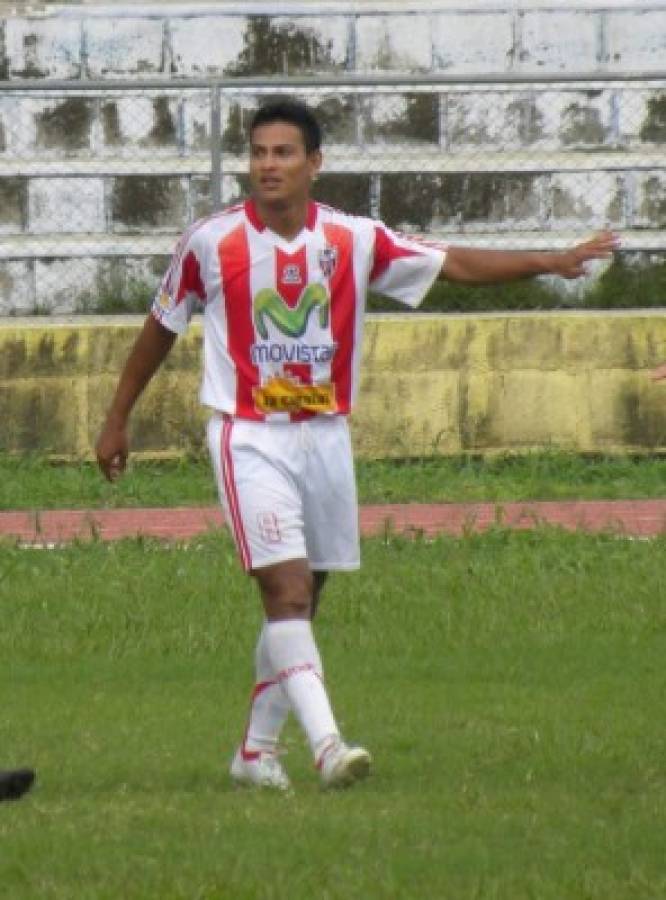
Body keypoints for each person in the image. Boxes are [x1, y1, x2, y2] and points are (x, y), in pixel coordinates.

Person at [96, 99, 618, 791]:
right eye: (258, 153)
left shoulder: (352, 239)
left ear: (315, 164)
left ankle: (253, 753)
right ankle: (327, 747)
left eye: (283, 153)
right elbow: (161, 326)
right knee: (283, 591)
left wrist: (551, 260)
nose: (267, 165)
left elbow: (452, 263)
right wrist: (117, 416)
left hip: (327, 437)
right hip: (247, 435)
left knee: (305, 598)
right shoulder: (209, 242)